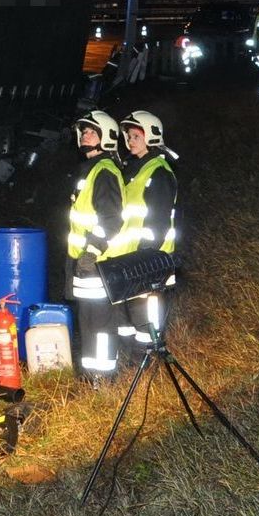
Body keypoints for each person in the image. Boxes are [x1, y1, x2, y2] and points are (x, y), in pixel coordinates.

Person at [67, 109, 133, 379]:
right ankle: (90, 377)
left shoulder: (104, 171)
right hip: (88, 265)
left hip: (99, 264)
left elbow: (111, 218)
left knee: (101, 325)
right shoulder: (93, 169)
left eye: (92, 132)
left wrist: (92, 251)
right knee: (89, 323)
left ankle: (103, 379)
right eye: (84, 131)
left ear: (106, 137)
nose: (85, 135)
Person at [117, 109, 179, 346]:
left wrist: (146, 254)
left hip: (150, 258)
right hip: (131, 256)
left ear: (151, 136)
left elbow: (158, 220)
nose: (130, 141)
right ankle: (130, 359)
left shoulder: (159, 172)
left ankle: (151, 357)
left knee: (147, 318)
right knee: (130, 317)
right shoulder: (134, 169)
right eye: (129, 136)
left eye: (136, 136)